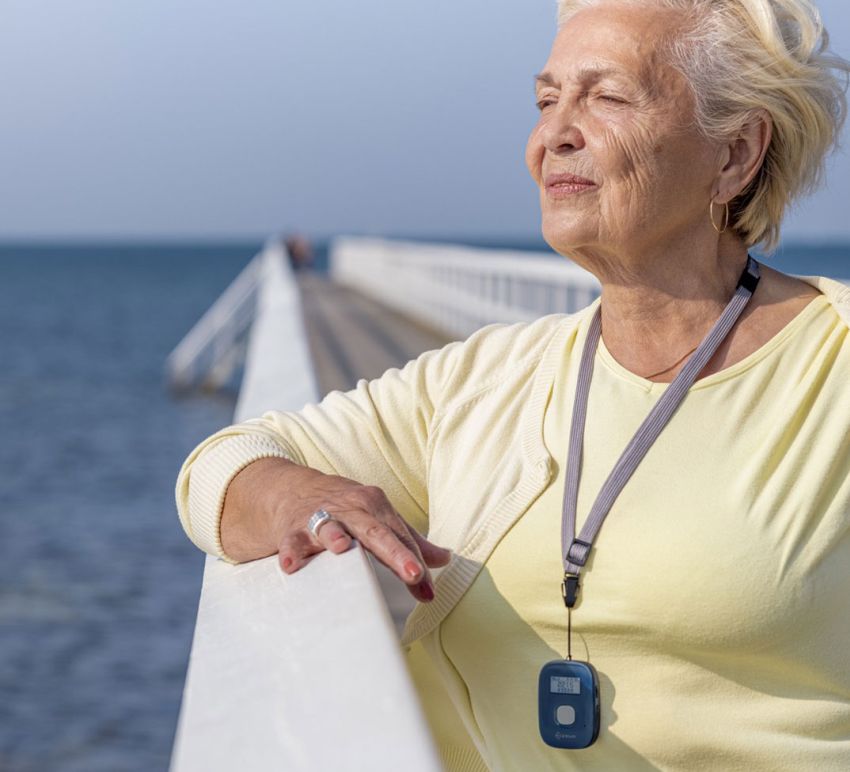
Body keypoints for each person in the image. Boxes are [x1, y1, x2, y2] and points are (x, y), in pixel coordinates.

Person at [176, 0, 850, 768]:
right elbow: (218, 469)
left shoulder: (832, 371)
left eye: (606, 97)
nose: (552, 136)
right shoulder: (488, 378)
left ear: (734, 153)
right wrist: (297, 499)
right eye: (546, 99)